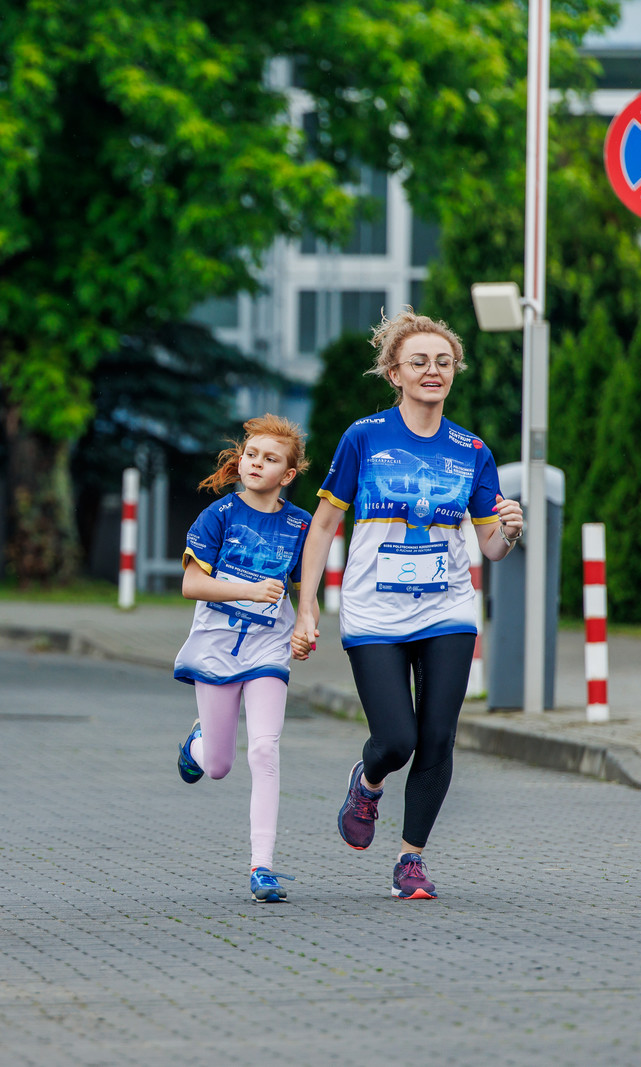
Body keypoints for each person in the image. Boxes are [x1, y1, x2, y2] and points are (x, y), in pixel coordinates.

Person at [290, 309, 523, 900]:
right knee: (397, 739)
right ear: (394, 372)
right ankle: (367, 782)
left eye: (443, 363)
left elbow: (490, 546)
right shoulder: (364, 437)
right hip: (373, 612)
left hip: (447, 608)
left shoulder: (472, 449)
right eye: (419, 362)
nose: (432, 371)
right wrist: (309, 604)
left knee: (438, 737)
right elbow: (322, 528)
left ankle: (410, 859)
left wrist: (510, 530)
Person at [174, 415, 314, 903]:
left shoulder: (301, 525)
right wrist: (251, 591)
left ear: (288, 474)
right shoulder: (218, 516)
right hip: (215, 645)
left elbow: (308, 587)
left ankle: (263, 867)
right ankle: (196, 744)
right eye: (252, 455)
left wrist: (304, 625)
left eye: (270, 459)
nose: (257, 464)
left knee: (263, 749)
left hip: (267, 649)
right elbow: (192, 584)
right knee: (217, 766)